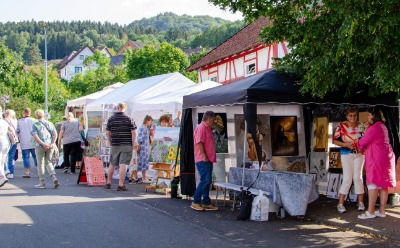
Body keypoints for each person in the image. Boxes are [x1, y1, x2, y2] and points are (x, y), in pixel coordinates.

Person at [357, 107, 396, 219]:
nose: (368, 117)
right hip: (386, 158)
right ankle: (382, 211)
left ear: (374, 116)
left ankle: (370, 212)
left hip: (376, 158)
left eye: (369, 115)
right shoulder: (383, 126)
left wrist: (364, 131)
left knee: (372, 184)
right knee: (383, 185)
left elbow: (362, 142)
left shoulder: (374, 128)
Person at [333, 107, 365, 213]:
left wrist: (362, 148)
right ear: (347, 116)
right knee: (347, 178)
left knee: (358, 178)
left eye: (354, 115)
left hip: (359, 154)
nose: (352, 117)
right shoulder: (342, 126)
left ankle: (360, 202)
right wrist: (346, 144)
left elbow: (365, 140)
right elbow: (335, 141)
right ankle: (340, 204)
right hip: (346, 154)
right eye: (350, 115)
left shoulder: (361, 125)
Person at [105, 103, 137, 191]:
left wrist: (110, 142)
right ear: (124, 108)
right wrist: (133, 143)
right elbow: (133, 133)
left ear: (117, 108)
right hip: (126, 144)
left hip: (115, 144)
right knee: (123, 164)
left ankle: (108, 182)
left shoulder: (111, 119)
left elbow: (107, 133)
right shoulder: (129, 118)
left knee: (112, 163)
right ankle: (121, 184)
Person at [191, 111, 218, 211]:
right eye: (213, 119)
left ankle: (206, 202)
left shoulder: (206, 128)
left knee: (207, 180)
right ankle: (195, 201)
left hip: (207, 159)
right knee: (205, 180)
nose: (213, 121)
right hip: (203, 159)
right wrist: (204, 155)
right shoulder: (201, 127)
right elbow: (199, 143)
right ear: (209, 118)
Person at [31, 109, 59, 189]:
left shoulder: (35, 124)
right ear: (43, 115)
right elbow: (55, 134)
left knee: (40, 163)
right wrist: (52, 143)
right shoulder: (49, 123)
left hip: (40, 146)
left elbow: (35, 136)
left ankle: (42, 182)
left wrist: (43, 144)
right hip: (50, 146)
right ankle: (54, 177)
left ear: (36, 115)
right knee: (48, 162)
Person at [17, 108, 38, 178]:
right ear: (30, 112)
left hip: (24, 142)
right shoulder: (34, 120)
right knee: (36, 157)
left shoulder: (19, 121)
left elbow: (17, 131)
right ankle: (39, 171)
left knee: (26, 157)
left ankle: (27, 172)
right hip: (34, 141)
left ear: (24, 112)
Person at [136, 115, 153, 184]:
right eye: (150, 121)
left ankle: (142, 177)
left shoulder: (145, 127)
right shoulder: (143, 127)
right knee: (142, 163)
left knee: (143, 163)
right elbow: (140, 138)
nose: (151, 123)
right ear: (147, 120)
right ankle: (141, 178)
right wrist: (139, 146)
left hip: (145, 147)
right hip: (143, 148)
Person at [4, 110, 18, 179]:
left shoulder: (4, 120)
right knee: (11, 157)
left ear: (7, 114)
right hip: (14, 140)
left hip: (7, 140)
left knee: (4, 157)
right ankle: (11, 173)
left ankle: (6, 171)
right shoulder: (15, 121)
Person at [0, 106, 10, 187]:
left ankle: (2, 177)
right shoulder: (4, 122)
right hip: (5, 142)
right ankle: (2, 177)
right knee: (2, 162)